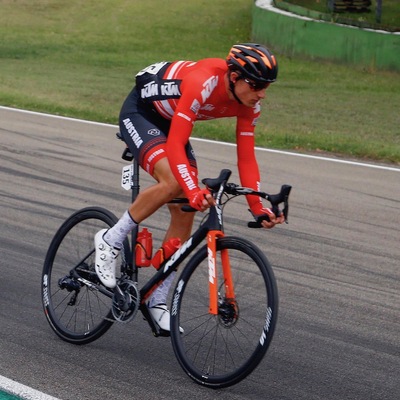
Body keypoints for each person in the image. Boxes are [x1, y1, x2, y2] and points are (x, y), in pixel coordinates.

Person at [94, 43, 285, 334]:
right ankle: (110, 239)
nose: (261, 94)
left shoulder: (250, 104)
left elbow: (246, 156)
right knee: (174, 184)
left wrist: (259, 208)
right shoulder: (203, 81)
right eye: (256, 85)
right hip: (142, 112)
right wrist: (192, 189)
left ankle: (157, 298)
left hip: (172, 121)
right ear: (234, 77)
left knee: (186, 209)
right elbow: (174, 145)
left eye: (266, 86)